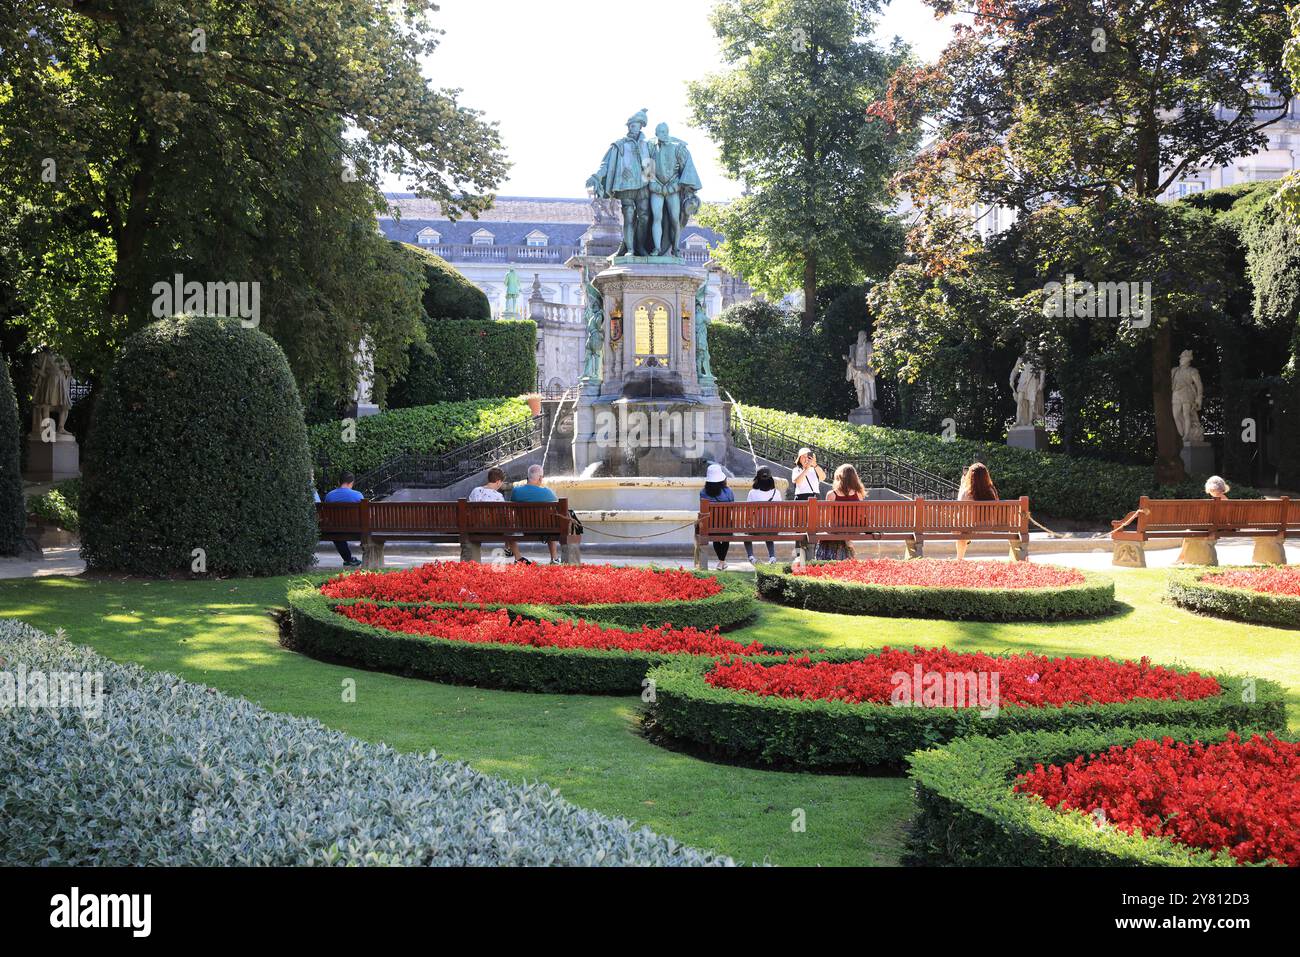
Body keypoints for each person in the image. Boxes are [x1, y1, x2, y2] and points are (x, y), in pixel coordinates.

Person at [510, 464, 561, 564]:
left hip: (524, 528)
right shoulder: (548, 492)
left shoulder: (516, 491)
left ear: (528, 477)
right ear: (540, 478)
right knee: (551, 521)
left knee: (508, 530)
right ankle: (554, 558)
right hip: (546, 530)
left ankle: (518, 557)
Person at [815, 464, 864, 561]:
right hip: (854, 528)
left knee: (830, 528)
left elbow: (827, 518)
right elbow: (860, 515)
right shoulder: (859, 494)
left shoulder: (831, 495)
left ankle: (830, 557)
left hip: (836, 528)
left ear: (839, 477)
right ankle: (848, 545)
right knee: (842, 528)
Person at [955, 462, 1000, 560]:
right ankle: (966, 540)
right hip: (988, 527)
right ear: (986, 476)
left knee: (961, 529)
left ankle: (959, 559)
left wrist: (962, 485)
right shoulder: (991, 491)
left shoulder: (966, 491)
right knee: (963, 527)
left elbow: (959, 504)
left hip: (969, 528)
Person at [323, 472, 364, 567]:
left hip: (335, 529)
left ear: (339, 482)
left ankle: (348, 559)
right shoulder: (358, 495)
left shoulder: (329, 496)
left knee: (337, 535)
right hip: (356, 529)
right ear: (352, 482)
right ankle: (350, 559)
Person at [700, 463, 735, 570]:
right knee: (725, 536)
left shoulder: (703, 492)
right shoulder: (728, 491)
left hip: (710, 527)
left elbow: (703, 510)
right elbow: (732, 507)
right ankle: (722, 561)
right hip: (726, 527)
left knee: (715, 536)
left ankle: (721, 562)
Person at [744, 467, 780, 565]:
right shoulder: (776, 493)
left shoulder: (752, 493)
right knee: (769, 530)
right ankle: (772, 557)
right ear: (771, 479)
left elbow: (748, 512)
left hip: (757, 528)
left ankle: (751, 557)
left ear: (757, 479)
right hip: (773, 529)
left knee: (746, 533)